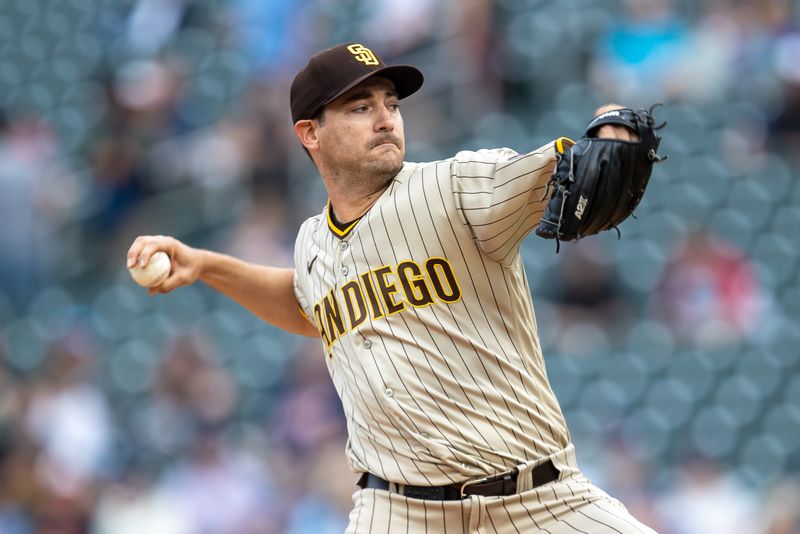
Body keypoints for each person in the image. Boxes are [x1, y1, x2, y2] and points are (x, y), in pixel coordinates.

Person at [127, 42, 657, 533]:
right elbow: (307, 304)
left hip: (537, 499)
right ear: (309, 133)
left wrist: (613, 134)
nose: (385, 119)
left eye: (391, 104)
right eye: (360, 108)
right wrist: (206, 266)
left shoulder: (456, 186)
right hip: (398, 513)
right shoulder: (312, 241)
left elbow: (573, 170)